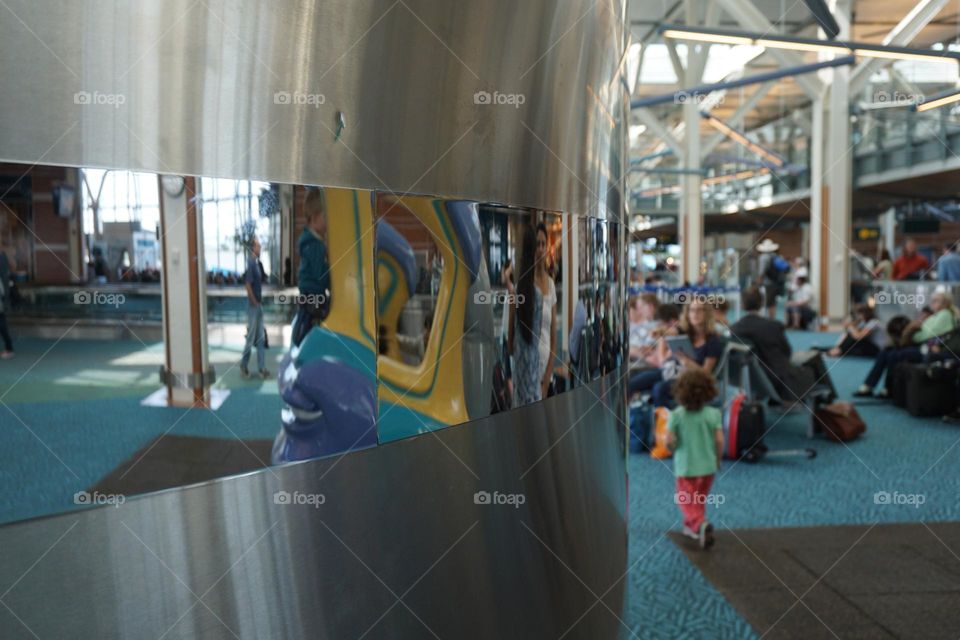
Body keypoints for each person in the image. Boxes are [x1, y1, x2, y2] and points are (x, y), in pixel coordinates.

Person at [854, 291, 958, 397]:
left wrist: (913, 331)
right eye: (932, 300)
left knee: (894, 355)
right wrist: (914, 331)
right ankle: (869, 386)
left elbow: (923, 336)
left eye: (936, 301)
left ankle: (888, 388)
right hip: (923, 347)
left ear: (945, 303)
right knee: (885, 352)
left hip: (930, 351)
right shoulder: (935, 316)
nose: (932, 303)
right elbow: (921, 333)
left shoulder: (945, 315)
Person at [667, 367, 723, 549]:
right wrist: (718, 460)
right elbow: (719, 440)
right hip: (707, 467)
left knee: (685, 500)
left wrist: (671, 445)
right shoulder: (714, 414)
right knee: (698, 499)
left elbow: (669, 443)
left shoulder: (676, 415)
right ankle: (692, 527)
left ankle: (700, 524)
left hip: (686, 468)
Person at [629, 301, 723, 407]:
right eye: (692, 310)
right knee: (631, 384)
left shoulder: (712, 341)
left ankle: (666, 422)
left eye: (699, 310)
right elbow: (668, 331)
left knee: (659, 389)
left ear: (707, 314)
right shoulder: (684, 331)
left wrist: (686, 362)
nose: (695, 314)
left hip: (693, 379)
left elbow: (706, 374)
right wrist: (658, 331)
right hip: (672, 371)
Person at [730, 287, 814, 404]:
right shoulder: (773, 325)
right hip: (778, 379)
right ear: (761, 304)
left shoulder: (735, 329)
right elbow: (787, 352)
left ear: (743, 305)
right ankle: (826, 401)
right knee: (812, 364)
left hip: (750, 378)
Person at [292, 187, 331, 347]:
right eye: (325, 216)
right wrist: (333, 282)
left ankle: (300, 337)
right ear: (314, 218)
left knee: (307, 315)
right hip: (313, 292)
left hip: (309, 291)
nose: (329, 220)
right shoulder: (315, 244)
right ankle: (301, 340)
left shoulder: (311, 241)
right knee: (313, 318)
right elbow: (320, 273)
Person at [509, 227, 543, 406]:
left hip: (520, 368)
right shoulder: (537, 294)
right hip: (533, 368)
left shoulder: (518, 291)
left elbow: (510, 338)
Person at [532, 224, 557, 398]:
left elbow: (554, 339)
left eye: (543, 244)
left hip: (546, 377)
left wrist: (546, 381)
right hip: (529, 377)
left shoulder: (551, 284)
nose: (540, 249)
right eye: (536, 244)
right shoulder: (525, 286)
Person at [239, 236, 269, 379]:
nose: (260, 248)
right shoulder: (251, 263)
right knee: (251, 338)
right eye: (258, 246)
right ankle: (243, 366)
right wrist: (254, 302)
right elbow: (247, 284)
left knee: (260, 338)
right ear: (253, 248)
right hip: (254, 306)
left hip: (258, 305)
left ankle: (262, 368)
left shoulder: (257, 263)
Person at [629, 292, 659, 366]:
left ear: (650, 307)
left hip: (644, 365)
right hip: (635, 361)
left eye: (640, 308)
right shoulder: (646, 324)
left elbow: (644, 352)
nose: (639, 312)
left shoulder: (657, 325)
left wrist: (634, 351)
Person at [0, 249, 13, 359]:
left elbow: (4, 279)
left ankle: (9, 348)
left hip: (1, 296)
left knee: (1, 322)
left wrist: (6, 298)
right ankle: (9, 348)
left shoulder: (1, 257)